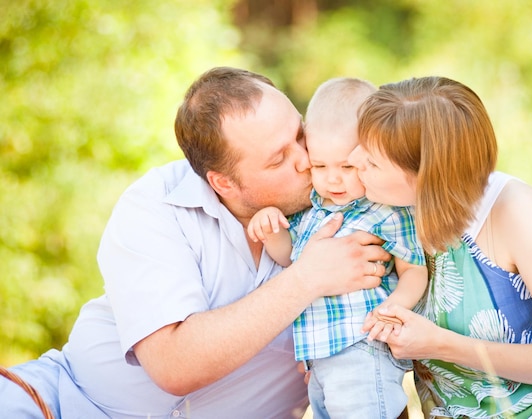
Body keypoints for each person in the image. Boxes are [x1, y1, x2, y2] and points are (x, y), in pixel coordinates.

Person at [0, 67, 393, 418]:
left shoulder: (357, 213)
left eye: (299, 135)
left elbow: (378, 375)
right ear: (223, 182)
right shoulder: (158, 203)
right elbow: (174, 365)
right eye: (277, 160)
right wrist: (307, 278)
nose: (305, 160)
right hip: (66, 403)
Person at [349, 75, 532, 418]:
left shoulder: (511, 209)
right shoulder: (377, 212)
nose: (353, 160)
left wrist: (439, 345)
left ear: (427, 175)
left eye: (372, 162)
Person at [247, 77, 428, 419]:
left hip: (362, 346)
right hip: (320, 357)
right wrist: (271, 228)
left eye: (347, 166)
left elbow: (414, 269)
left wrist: (393, 308)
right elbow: (289, 257)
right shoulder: (313, 211)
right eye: (320, 166)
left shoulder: (385, 210)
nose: (333, 179)